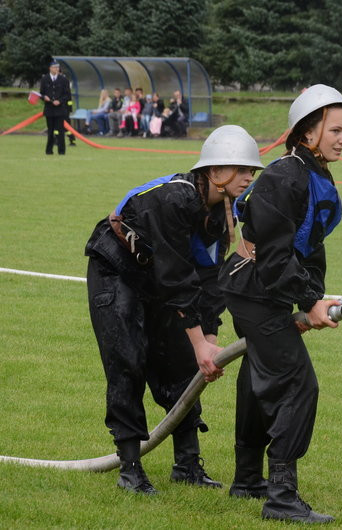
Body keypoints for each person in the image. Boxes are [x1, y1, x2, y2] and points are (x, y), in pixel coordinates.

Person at [84, 125, 265, 495]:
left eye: (252, 170)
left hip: (158, 276)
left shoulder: (221, 214)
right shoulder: (175, 199)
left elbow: (210, 280)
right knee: (128, 358)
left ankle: (187, 464)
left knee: (181, 363)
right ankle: (130, 468)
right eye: (241, 169)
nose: (249, 177)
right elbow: (177, 279)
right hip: (116, 270)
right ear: (215, 171)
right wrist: (199, 344)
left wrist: (208, 342)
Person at [218, 84, 342, 524]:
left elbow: (310, 247)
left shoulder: (314, 174)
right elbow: (275, 257)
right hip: (253, 289)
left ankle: (247, 480)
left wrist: (313, 298)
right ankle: (280, 496)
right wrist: (310, 300)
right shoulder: (285, 176)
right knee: (297, 384)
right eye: (335, 130)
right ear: (307, 132)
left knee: (258, 377)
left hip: (264, 290)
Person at [38, 59, 71, 155]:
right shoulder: (44, 79)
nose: (56, 69)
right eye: (54, 67)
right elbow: (41, 93)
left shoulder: (64, 80)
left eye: (57, 67)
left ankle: (61, 151)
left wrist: (60, 101)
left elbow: (67, 95)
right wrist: (44, 97)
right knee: (50, 131)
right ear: (50, 68)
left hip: (60, 109)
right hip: (49, 109)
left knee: (60, 131)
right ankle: (49, 150)